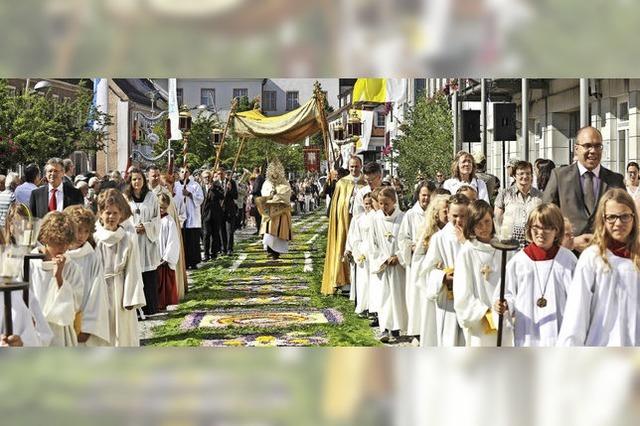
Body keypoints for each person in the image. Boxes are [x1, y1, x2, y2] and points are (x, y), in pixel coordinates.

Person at [557, 189, 640, 346]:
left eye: (625, 216)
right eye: (612, 217)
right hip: (601, 347)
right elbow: (577, 313)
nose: (618, 223)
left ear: (633, 218)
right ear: (603, 219)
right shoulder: (592, 258)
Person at [493, 204, 577, 346]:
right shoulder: (519, 261)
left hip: (560, 333)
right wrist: (505, 305)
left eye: (546, 228)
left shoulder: (568, 260)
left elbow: (577, 298)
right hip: (528, 332)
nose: (540, 232)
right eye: (535, 227)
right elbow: (508, 294)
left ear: (557, 230)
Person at [543, 126, 625, 253]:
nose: (593, 151)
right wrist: (570, 241)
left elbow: (625, 218)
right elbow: (546, 217)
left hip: (606, 254)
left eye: (598, 146)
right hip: (567, 256)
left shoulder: (615, 180)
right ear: (576, 149)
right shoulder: (559, 176)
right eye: (587, 146)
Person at [453, 200, 513, 346]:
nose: (484, 227)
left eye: (487, 221)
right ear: (471, 225)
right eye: (478, 224)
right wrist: (485, 312)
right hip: (480, 322)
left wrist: (507, 303)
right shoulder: (467, 251)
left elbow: (513, 283)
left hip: (503, 317)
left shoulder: (504, 248)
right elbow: (462, 292)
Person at [94, 189, 146, 346]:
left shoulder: (127, 238)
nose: (111, 217)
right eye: (107, 213)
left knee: (122, 333)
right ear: (101, 213)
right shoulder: (94, 238)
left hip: (121, 290)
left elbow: (133, 269)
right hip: (99, 289)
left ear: (121, 214)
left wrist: (131, 298)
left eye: (115, 213)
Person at [419, 193, 470, 347]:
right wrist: (442, 277)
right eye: (455, 215)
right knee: (449, 341)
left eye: (463, 215)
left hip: (470, 299)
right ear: (447, 213)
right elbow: (426, 272)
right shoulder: (439, 238)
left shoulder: (474, 236)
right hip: (449, 300)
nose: (459, 220)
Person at [30, 211, 84, 346]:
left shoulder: (71, 267)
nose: (64, 248)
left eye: (66, 243)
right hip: (34, 330)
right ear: (46, 238)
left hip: (60, 333)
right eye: (58, 242)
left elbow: (75, 304)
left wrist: (59, 277)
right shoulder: (30, 263)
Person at [64, 205, 111, 346]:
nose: (82, 236)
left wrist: (88, 327)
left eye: (86, 231)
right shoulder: (60, 253)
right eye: (79, 230)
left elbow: (97, 293)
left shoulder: (91, 257)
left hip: (83, 319)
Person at [320, 157, 367, 295]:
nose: (354, 169)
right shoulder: (342, 183)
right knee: (343, 245)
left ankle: (360, 280)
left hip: (361, 222)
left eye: (356, 166)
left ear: (361, 166)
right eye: (351, 166)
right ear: (348, 167)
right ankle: (344, 280)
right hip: (345, 221)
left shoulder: (365, 182)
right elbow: (337, 205)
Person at [368, 187, 407, 343]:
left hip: (398, 265)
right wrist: (384, 259)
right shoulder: (376, 219)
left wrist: (398, 256)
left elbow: (407, 240)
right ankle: (384, 328)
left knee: (397, 297)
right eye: (381, 203)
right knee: (384, 297)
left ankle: (396, 328)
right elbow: (373, 243)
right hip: (384, 266)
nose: (384, 207)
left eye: (387, 203)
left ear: (394, 202)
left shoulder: (403, 218)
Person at [397, 180, 435, 339]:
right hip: (417, 262)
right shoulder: (411, 215)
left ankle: (430, 329)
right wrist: (411, 247)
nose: (426, 199)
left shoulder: (436, 213)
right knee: (416, 297)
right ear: (418, 196)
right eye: (423, 195)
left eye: (429, 196)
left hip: (433, 261)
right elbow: (402, 238)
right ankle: (417, 331)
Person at [124, 168, 161, 315]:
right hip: (132, 241)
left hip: (147, 240)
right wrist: (133, 228)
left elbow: (157, 218)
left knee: (149, 275)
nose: (137, 182)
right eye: (134, 179)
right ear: (130, 181)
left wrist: (145, 227)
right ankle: (135, 308)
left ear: (144, 180)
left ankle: (150, 307)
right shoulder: (126, 198)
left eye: (139, 179)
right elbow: (123, 218)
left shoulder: (151, 197)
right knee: (134, 273)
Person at [414, 194, 449, 346]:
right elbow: (418, 259)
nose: (447, 215)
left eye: (449, 211)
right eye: (444, 211)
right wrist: (434, 265)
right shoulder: (428, 233)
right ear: (436, 213)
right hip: (433, 283)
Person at [148, 166, 187, 300]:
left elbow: (170, 217)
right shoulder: (143, 193)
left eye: (158, 175)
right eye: (153, 175)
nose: (156, 178)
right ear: (148, 176)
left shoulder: (165, 193)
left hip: (163, 236)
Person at [494, 160, 543, 247]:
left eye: (528, 173)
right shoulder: (505, 194)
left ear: (532, 176)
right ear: (514, 176)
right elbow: (497, 219)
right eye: (521, 174)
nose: (525, 176)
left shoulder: (540, 196)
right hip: (510, 243)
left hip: (533, 243)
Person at [344, 192, 374, 316]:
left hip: (372, 249)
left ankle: (372, 306)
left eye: (370, 204)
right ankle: (363, 304)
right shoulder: (359, 218)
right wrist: (353, 249)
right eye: (366, 204)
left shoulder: (376, 217)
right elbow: (354, 235)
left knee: (371, 281)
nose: (368, 206)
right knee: (363, 281)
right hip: (361, 249)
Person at [259, 159, 293, 260]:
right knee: (269, 232)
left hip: (281, 211)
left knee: (278, 233)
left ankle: (276, 251)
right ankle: (270, 250)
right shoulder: (266, 183)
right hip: (270, 210)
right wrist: (270, 194)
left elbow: (286, 194)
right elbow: (263, 194)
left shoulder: (285, 183)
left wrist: (277, 196)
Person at [174, 167, 204, 269]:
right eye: (182, 172)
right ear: (179, 174)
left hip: (192, 217)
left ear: (189, 173)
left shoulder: (195, 185)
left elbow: (200, 199)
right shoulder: (175, 186)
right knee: (183, 241)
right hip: (181, 216)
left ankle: (194, 261)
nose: (184, 173)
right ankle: (184, 262)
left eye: (186, 172)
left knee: (193, 241)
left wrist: (190, 195)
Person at [157, 193, 180, 310]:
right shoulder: (153, 220)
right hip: (153, 256)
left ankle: (163, 303)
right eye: (160, 207)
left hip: (163, 257)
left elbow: (172, 240)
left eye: (164, 208)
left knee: (163, 282)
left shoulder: (169, 220)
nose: (162, 210)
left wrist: (166, 256)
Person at [251, 166, 265, 234]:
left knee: (258, 216)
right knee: (260, 215)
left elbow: (256, 190)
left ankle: (259, 229)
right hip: (261, 199)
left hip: (258, 199)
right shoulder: (262, 178)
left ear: (254, 172)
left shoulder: (258, 179)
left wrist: (251, 191)